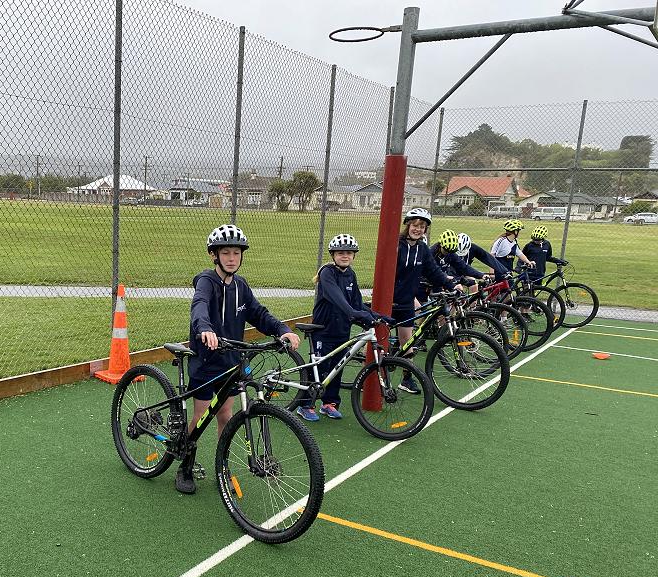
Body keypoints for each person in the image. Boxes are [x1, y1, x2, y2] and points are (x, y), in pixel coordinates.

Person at [179, 224, 301, 494]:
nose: (232, 258)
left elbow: (259, 313)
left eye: (236, 253)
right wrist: (205, 329)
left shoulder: (241, 286)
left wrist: (282, 330)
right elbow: (199, 306)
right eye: (225, 253)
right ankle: (185, 465)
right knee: (201, 416)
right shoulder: (206, 282)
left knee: (225, 414)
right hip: (207, 360)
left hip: (231, 360)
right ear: (214, 255)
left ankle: (221, 468)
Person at [295, 233, 392, 422]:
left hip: (342, 329)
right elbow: (337, 298)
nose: (345, 256)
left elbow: (356, 303)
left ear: (354, 255)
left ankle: (329, 403)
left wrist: (378, 316)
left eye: (348, 252)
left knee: (338, 366)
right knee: (320, 367)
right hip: (323, 329)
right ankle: (305, 404)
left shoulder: (350, 275)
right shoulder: (327, 273)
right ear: (333, 255)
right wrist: (353, 313)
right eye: (340, 253)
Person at [391, 207, 460, 394]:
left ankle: (406, 379)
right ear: (407, 225)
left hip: (406, 301)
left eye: (422, 226)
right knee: (377, 343)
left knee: (408, 343)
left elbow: (433, 271)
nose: (418, 229)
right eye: (415, 225)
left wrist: (451, 285)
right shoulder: (396, 245)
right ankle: (370, 376)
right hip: (388, 301)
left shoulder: (422, 248)